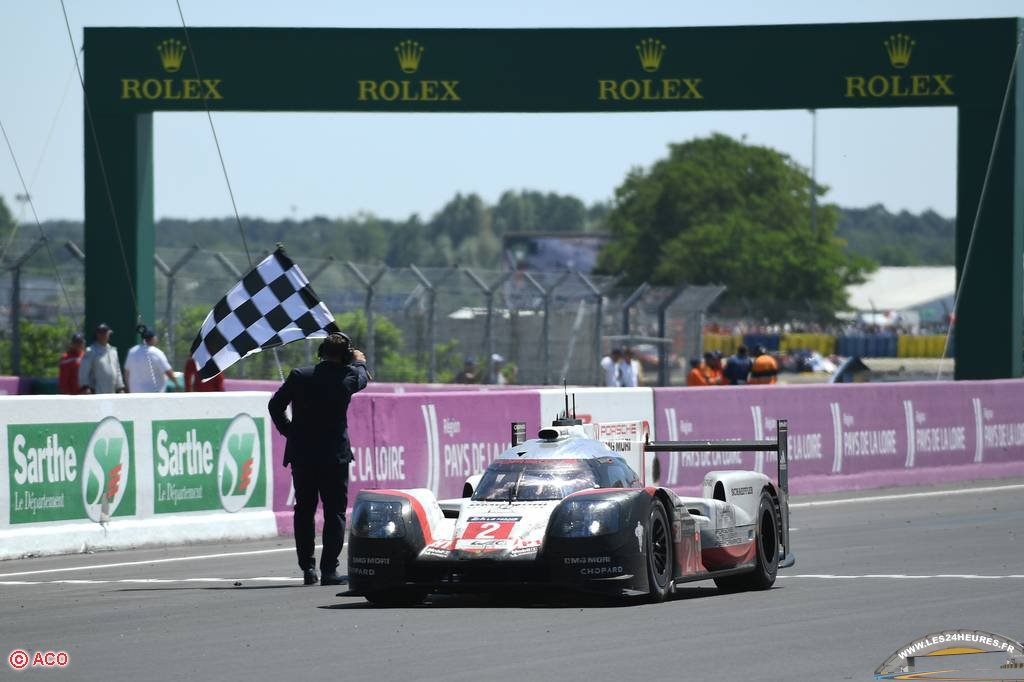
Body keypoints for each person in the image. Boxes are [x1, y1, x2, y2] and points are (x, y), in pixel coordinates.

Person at [268, 333, 368, 586]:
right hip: (333, 455)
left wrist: (290, 432)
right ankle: (329, 570)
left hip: (303, 453)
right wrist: (359, 361)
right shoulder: (348, 376)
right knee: (334, 512)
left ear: (321, 351)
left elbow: (275, 406)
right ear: (344, 355)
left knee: (304, 509)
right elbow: (362, 377)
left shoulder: (300, 375)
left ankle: (308, 568)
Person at [124, 326, 175, 393]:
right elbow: (168, 372)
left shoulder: (132, 352)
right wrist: (177, 384)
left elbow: (127, 373)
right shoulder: (157, 353)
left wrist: (128, 387)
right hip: (153, 396)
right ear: (153, 338)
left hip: (135, 395)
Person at [78, 323, 125, 394]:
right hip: (96, 391)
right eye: (100, 333)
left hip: (112, 391)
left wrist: (120, 387)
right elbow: (84, 370)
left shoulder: (113, 351)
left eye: (105, 333)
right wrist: (85, 387)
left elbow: (117, 370)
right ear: (97, 335)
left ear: (109, 334)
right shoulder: (91, 351)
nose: (103, 335)